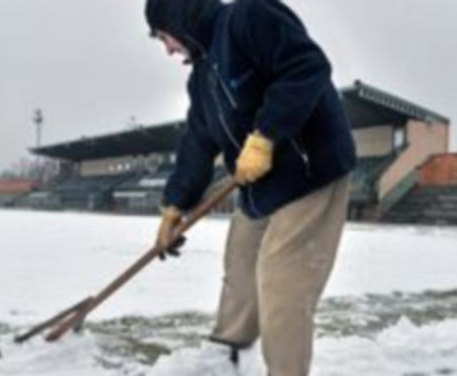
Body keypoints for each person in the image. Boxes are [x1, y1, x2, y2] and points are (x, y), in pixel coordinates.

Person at [146, 0, 356, 374]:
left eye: (165, 37)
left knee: (282, 283)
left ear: (179, 16)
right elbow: (198, 141)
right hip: (260, 186)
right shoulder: (201, 77)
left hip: (310, 173)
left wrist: (265, 136)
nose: (168, 49)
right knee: (240, 266)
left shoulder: (249, 17)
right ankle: (228, 356)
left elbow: (306, 67)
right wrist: (174, 206)